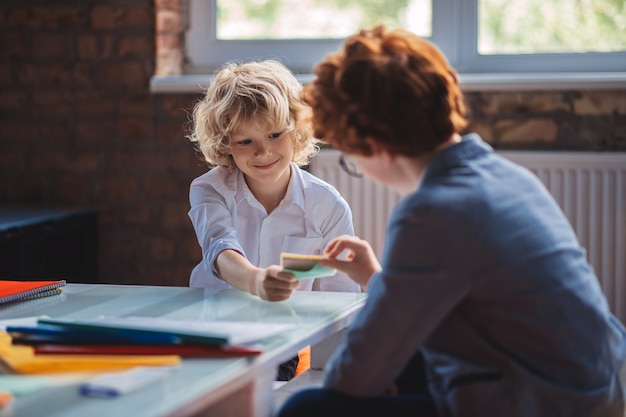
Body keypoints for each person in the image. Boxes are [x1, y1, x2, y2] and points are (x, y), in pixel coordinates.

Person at [277, 26, 626, 416]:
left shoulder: (432, 212)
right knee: (408, 357)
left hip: (546, 403)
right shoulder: (503, 174)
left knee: (307, 407)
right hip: (595, 387)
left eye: (351, 156)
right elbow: (461, 306)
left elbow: (354, 378)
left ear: (375, 146)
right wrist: (377, 280)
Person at [186, 60, 361, 380]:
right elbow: (220, 249)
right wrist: (256, 281)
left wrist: (331, 378)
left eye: (275, 134)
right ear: (225, 143)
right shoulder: (208, 190)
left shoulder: (327, 205)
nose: (263, 152)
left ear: (296, 131)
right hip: (212, 330)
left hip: (283, 339)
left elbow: (338, 295)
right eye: (245, 141)